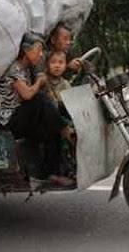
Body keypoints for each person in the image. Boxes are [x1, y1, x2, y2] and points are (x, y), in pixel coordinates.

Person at [0, 32, 75, 188]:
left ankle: (51, 174)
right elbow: (27, 94)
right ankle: (66, 131)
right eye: (38, 50)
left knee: (50, 130)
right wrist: (39, 82)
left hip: (21, 119)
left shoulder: (28, 69)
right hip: (7, 122)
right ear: (26, 50)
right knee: (38, 98)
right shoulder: (14, 69)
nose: (40, 54)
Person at [45, 50, 77, 178]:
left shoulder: (65, 84)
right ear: (47, 64)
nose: (57, 65)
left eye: (60, 62)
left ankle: (74, 162)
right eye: (53, 62)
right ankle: (65, 166)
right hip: (50, 119)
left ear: (65, 65)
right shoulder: (44, 81)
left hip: (63, 116)